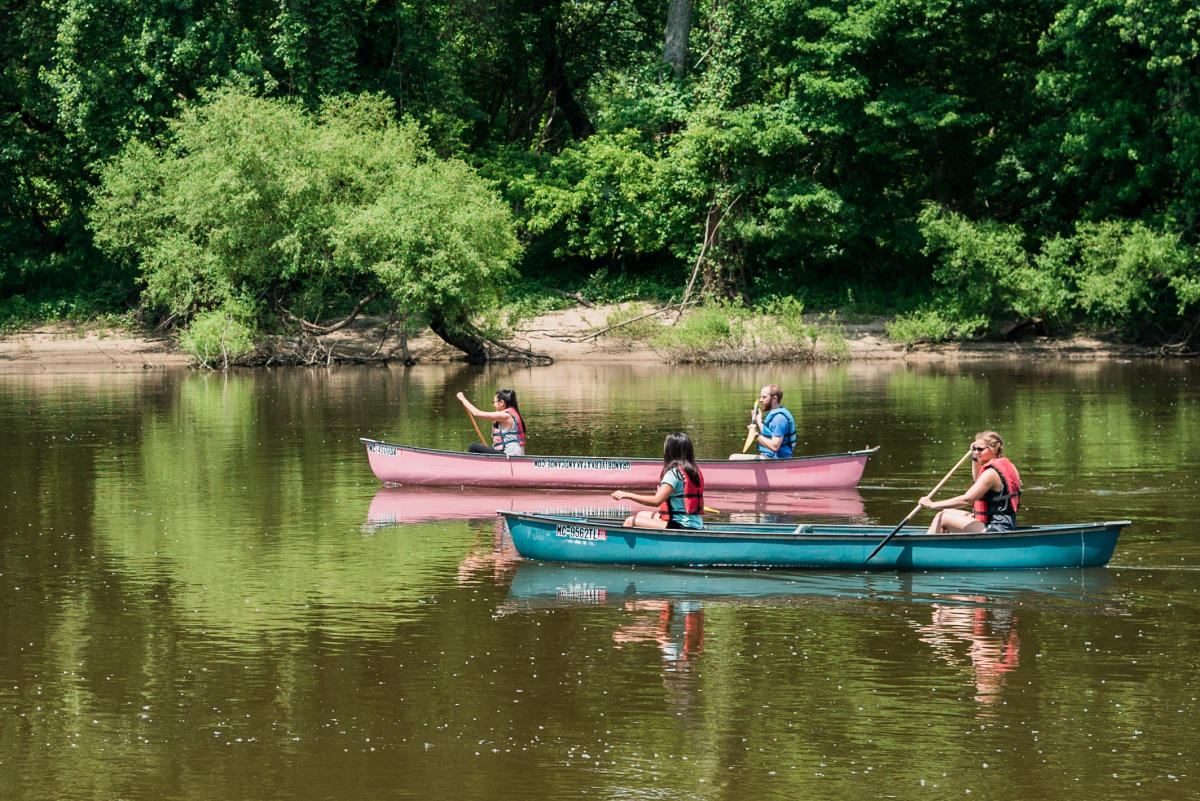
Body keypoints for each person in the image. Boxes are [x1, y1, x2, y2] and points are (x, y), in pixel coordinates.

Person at [919, 431, 1021, 534]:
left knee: (942, 517)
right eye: (975, 449)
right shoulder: (1006, 466)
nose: (977, 452)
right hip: (1003, 523)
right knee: (946, 512)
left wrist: (932, 505)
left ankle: (927, 547)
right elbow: (978, 480)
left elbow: (966, 500)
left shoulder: (991, 473)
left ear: (994, 449)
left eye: (980, 449)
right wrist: (974, 457)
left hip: (997, 528)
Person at [610, 432, 705, 529]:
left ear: (670, 450)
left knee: (630, 521)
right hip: (695, 523)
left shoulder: (674, 474)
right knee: (641, 514)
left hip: (681, 525)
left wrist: (627, 495)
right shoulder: (693, 471)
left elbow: (656, 501)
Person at [456, 389, 526, 456]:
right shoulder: (510, 414)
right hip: (511, 453)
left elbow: (477, 413)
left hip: (511, 455)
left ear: (501, 402)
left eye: (494, 402)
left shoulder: (505, 416)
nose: (493, 405)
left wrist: (463, 399)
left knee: (473, 447)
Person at [738, 384, 796, 459]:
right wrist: (759, 421)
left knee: (733, 458)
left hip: (778, 459)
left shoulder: (779, 419)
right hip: (770, 457)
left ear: (774, 398)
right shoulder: (774, 416)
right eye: (761, 397)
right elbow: (769, 435)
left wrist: (756, 435)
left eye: (764, 397)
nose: (761, 400)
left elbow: (775, 447)